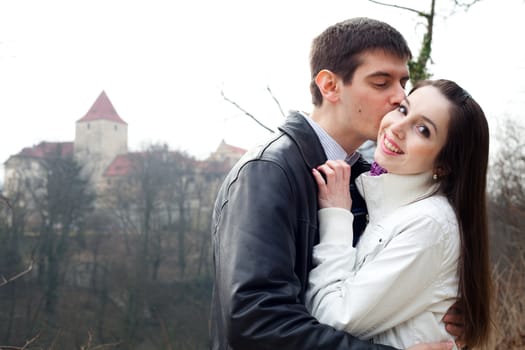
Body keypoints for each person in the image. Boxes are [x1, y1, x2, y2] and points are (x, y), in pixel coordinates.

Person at [210, 17, 462, 350]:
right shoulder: (268, 172)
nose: (399, 96)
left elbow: (363, 296)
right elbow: (256, 322)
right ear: (330, 86)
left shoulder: (367, 181)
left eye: (403, 81)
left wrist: (432, 309)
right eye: (381, 82)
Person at [307, 79, 491, 349]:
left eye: (423, 129)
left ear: (445, 163)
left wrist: (336, 217)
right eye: (404, 110)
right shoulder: (388, 203)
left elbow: (331, 318)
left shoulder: (429, 225)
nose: (397, 127)